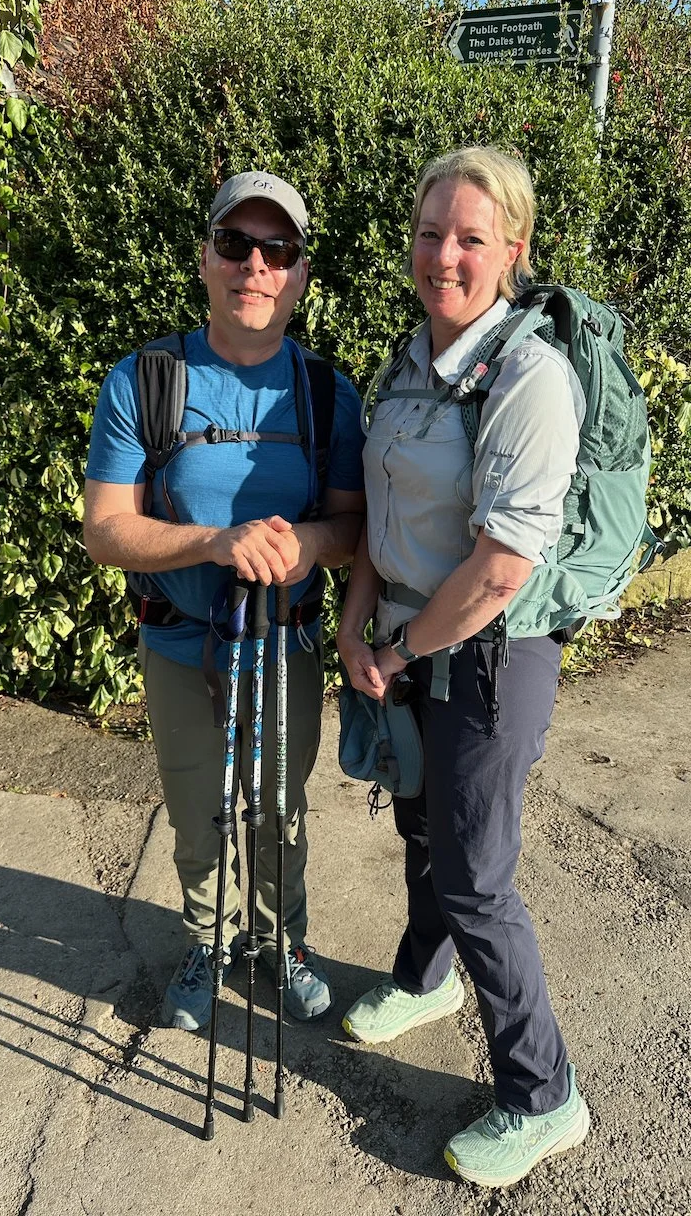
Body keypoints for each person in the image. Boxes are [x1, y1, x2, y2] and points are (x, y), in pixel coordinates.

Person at [337, 146, 590, 1187]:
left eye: (472, 237)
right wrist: (356, 624)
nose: (445, 253)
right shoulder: (404, 363)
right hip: (398, 638)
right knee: (418, 817)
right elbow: (373, 516)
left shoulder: (532, 375)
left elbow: (497, 570)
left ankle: (544, 1092)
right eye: (432, 231)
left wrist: (395, 644)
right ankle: (425, 975)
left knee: (477, 873)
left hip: (492, 653)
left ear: (513, 251)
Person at [84, 170, 365, 1028]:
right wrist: (214, 543)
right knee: (198, 810)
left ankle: (284, 942)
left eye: (277, 249)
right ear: (205, 259)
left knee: (280, 809)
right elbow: (105, 530)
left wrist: (305, 546)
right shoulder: (145, 381)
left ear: (301, 276)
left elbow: (352, 533)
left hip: (286, 642)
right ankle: (210, 940)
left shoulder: (327, 392)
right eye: (235, 244)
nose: (255, 265)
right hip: (180, 646)